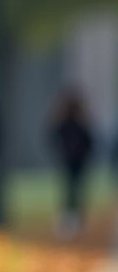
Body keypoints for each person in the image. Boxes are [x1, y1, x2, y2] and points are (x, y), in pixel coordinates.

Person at [48, 88, 95, 239]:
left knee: (73, 189)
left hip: (76, 161)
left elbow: (89, 141)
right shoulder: (65, 123)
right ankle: (71, 218)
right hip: (71, 160)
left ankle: (74, 218)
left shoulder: (78, 123)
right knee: (71, 189)